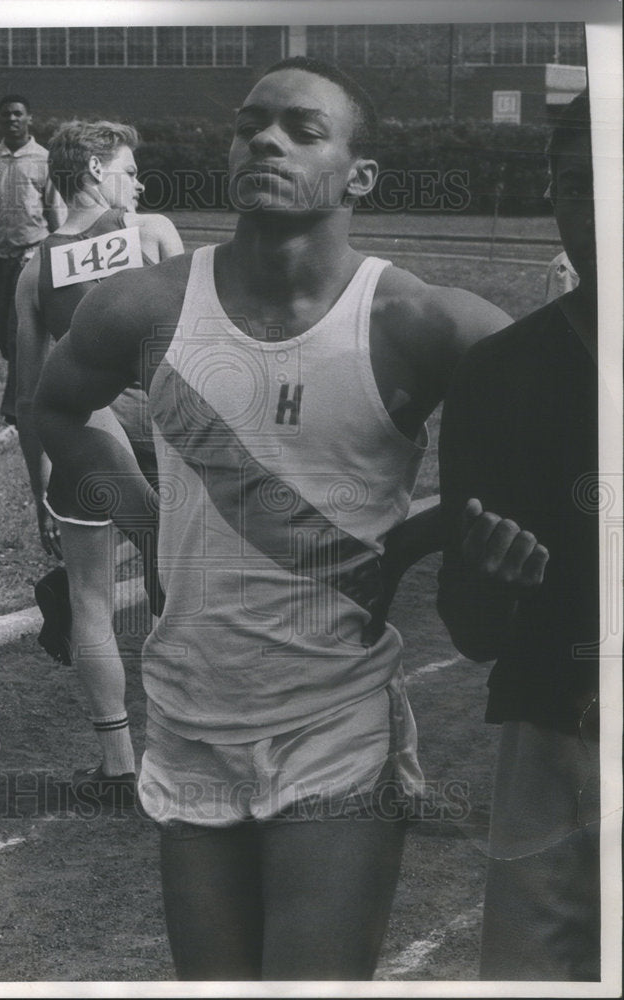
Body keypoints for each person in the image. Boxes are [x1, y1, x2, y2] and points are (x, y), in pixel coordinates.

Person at [34, 56, 512, 980]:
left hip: (334, 717)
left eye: (303, 128)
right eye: (251, 123)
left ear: (358, 175)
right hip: (189, 709)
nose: (265, 139)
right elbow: (56, 408)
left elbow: (576, 422)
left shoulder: (417, 319)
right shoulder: (150, 304)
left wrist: (414, 540)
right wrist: (142, 518)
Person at [437, 91, 600, 980]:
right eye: (576, 186)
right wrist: (494, 580)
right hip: (552, 742)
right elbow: (469, 629)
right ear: (551, 194)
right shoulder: (500, 373)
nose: (597, 212)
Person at [15, 120, 183, 803]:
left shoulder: (34, 269)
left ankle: (118, 761)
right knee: (177, 578)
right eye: (128, 169)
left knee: (91, 597)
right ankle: (185, 742)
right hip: (167, 423)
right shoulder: (153, 234)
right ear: (91, 171)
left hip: (85, 430)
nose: (138, 182)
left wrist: (37, 488)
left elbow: (30, 398)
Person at [0, 94, 66, 443]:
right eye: (6, 115)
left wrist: (63, 262)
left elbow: (58, 216)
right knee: (7, 343)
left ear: (29, 118)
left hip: (32, 258)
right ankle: (42, 401)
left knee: (22, 339)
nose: (12, 120)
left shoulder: (45, 160)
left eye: (18, 114)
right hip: (0, 260)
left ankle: (16, 419)